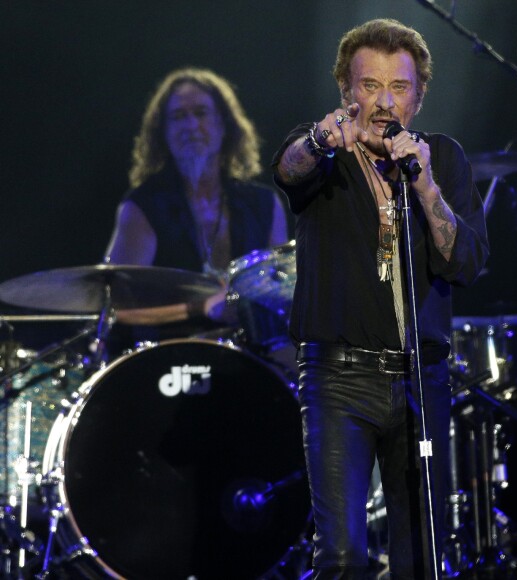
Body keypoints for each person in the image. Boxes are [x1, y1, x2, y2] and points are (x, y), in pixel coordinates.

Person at [272, 18, 489, 579]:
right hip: (339, 380)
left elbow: (465, 261)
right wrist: (321, 139)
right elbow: (287, 168)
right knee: (343, 556)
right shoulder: (326, 156)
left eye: (399, 87)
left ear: (419, 96)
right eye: (370, 86)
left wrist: (425, 185)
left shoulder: (442, 158)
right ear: (346, 90)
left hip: (423, 381)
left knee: (424, 557)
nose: (385, 101)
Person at [105, 67, 289, 348]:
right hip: (167, 360)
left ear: (224, 125)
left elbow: (279, 294)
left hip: (249, 359)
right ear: (163, 134)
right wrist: (200, 309)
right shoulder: (142, 207)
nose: (191, 126)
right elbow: (118, 309)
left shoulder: (263, 205)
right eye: (179, 117)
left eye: (201, 113)